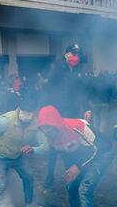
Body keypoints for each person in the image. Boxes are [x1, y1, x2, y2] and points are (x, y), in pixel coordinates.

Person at [38, 105, 113, 207]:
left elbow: (98, 148)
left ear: (55, 123)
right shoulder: (50, 137)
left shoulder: (76, 126)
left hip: (103, 153)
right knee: (71, 186)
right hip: (84, 155)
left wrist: (78, 167)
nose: (46, 131)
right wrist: (68, 171)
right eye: (43, 128)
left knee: (84, 190)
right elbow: (65, 154)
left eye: (48, 127)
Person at [41, 44, 91, 191]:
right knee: (54, 148)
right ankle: (49, 180)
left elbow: (81, 91)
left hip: (72, 113)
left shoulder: (78, 70)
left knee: (71, 145)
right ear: (66, 54)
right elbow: (48, 91)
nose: (75, 57)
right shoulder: (57, 69)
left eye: (77, 54)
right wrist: (47, 113)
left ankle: (72, 177)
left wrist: (87, 107)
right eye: (73, 53)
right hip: (57, 114)